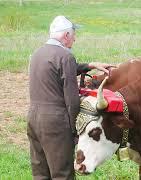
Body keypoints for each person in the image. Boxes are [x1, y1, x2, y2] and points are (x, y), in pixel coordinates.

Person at [27, 15, 113, 180]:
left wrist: (89, 65)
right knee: (62, 174)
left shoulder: (38, 53)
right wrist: (76, 129)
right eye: (73, 35)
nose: (75, 39)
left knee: (40, 173)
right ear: (66, 36)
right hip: (55, 124)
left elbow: (56, 70)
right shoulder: (65, 56)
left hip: (33, 119)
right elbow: (72, 100)